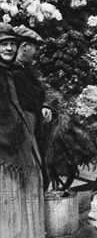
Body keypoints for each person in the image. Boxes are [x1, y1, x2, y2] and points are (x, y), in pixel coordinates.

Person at [0, 23, 45, 238]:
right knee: (8, 195)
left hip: (20, 136)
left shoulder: (11, 71)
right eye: (4, 44)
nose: (8, 48)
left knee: (18, 193)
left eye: (11, 44)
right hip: (5, 145)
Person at [13, 25, 52, 189]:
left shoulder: (26, 68)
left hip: (34, 125)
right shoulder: (14, 71)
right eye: (35, 47)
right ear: (24, 47)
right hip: (24, 131)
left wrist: (44, 106)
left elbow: (37, 94)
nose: (36, 52)